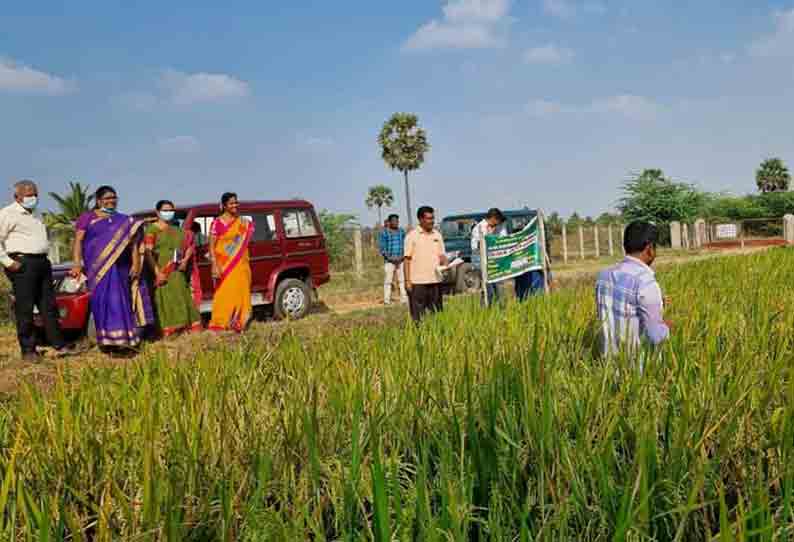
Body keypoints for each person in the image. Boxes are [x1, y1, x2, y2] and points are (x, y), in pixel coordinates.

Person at [70, 186, 154, 351]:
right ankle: (107, 342)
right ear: (98, 200)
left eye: (114, 198)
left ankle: (125, 340)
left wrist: (136, 263)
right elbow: (78, 241)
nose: (111, 201)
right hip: (98, 269)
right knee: (102, 303)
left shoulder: (124, 220)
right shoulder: (87, 218)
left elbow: (134, 244)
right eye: (107, 198)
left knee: (121, 301)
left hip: (121, 268)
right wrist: (76, 263)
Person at [0, 180, 72, 360]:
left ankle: (59, 345)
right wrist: (8, 262)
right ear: (17, 196)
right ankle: (28, 350)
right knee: (25, 308)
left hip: (42, 263)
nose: (33, 198)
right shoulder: (7, 214)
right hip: (22, 263)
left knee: (48, 306)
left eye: (35, 194)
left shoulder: (37, 214)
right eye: (29, 194)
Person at [595, 221, 670, 361]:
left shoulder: (603, 276)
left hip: (608, 369)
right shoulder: (646, 282)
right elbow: (655, 336)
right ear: (649, 249)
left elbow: (609, 314)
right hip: (637, 373)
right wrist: (666, 326)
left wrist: (658, 305)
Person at [144, 200, 202, 337]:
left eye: (171, 211)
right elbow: (148, 253)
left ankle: (185, 328)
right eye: (165, 210)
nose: (168, 213)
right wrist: (157, 273)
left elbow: (188, 247)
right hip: (162, 271)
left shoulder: (178, 230)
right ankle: (169, 330)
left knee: (182, 297)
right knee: (165, 299)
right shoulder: (152, 230)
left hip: (177, 272)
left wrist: (185, 261)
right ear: (157, 212)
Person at [208, 192, 254, 332]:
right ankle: (222, 321)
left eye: (236, 202)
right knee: (225, 292)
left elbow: (244, 242)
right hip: (224, 265)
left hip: (241, 264)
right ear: (224, 206)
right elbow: (211, 247)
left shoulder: (243, 223)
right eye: (231, 203)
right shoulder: (217, 223)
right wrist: (214, 265)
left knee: (241, 291)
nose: (235, 205)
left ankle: (240, 320)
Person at [404, 206, 448, 322]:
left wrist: (446, 262)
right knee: (418, 316)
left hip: (436, 280)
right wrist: (408, 281)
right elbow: (407, 260)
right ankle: (419, 336)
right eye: (428, 218)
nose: (431, 221)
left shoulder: (437, 235)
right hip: (418, 282)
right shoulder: (411, 236)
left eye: (432, 218)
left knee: (437, 314)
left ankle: (436, 336)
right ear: (420, 219)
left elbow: (442, 255)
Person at [470, 208, 508, 304]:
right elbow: (475, 247)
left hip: (495, 262)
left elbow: (504, 239)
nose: (498, 224)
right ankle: (486, 310)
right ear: (493, 218)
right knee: (488, 289)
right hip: (482, 262)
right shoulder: (478, 228)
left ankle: (499, 310)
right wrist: (488, 239)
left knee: (499, 289)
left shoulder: (499, 227)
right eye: (498, 221)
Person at [379, 214, 408, 305]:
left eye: (397, 221)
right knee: (388, 281)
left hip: (401, 260)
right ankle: (387, 300)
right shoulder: (384, 233)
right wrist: (391, 258)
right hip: (389, 261)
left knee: (402, 280)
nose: (396, 223)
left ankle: (404, 299)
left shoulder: (401, 232)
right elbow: (382, 248)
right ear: (390, 222)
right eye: (394, 221)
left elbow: (405, 245)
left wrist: (401, 257)